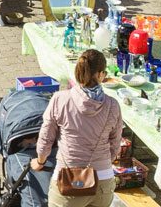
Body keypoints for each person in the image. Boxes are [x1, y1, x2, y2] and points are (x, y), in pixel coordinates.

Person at [33, 49, 123, 207]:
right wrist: (102, 161)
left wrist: (40, 161)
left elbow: (46, 138)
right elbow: (115, 145)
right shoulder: (112, 105)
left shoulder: (60, 99)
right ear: (101, 74)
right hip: (102, 182)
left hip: (67, 182)